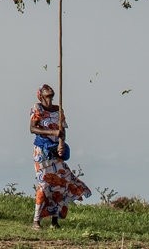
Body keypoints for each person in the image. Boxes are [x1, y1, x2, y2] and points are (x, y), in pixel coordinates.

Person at [29, 83, 88, 227]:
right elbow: (32, 128)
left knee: (60, 184)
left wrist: (61, 143)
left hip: (56, 151)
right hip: (42, 152)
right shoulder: (37, 109)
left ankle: (54, 220)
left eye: (51, 95)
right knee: (44, 184)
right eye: (46, 95)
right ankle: (36, 220)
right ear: (41, 96)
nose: (49, 99)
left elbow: (62, 130)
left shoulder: (59, 110)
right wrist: (52, 133)